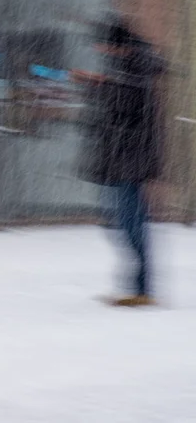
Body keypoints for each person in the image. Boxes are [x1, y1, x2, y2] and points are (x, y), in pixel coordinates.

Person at [73, 17, 165, 307]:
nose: (102, 52)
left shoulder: (137, 69)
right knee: (120, 223)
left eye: (105, 46)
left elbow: (123, 107)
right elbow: (116, 104)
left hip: (129, 159)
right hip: (120, 159)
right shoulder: (127, 68)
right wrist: (99, 84)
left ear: (117, 45)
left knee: (130, 224)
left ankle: (141, 289)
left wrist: (95, 84)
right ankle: (137, 287)